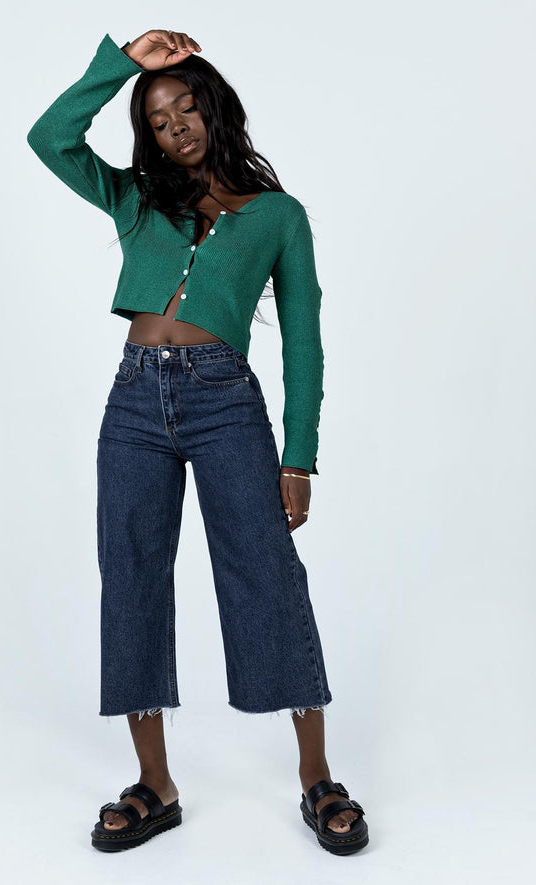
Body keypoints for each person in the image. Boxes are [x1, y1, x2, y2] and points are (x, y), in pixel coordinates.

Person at [27, 27, 369, 855]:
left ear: (215, 109)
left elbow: (304, 340)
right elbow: (50, 138)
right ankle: (155, 782)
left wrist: (299, 456)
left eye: (185, 105)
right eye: (158, 117)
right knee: (131, 573)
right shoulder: (136, 198)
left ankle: (317, 775)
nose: (175, 123)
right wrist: (125, 64)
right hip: (134, 401)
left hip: (225, 404)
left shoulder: (278, 216)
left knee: (267, 575)